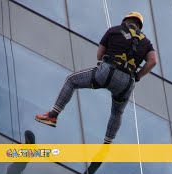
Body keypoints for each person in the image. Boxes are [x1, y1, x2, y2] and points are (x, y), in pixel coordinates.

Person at [35, 11, 156, 145]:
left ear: (125, 21)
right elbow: (152, 61)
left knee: (71, 80)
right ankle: (106, 145)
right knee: (117, 112)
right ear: (139, 25)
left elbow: (99, 56)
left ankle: (52, 116)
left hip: (107, 72)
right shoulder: (146, 42)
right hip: (126, 83)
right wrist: (137, 76)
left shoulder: (114, 30)